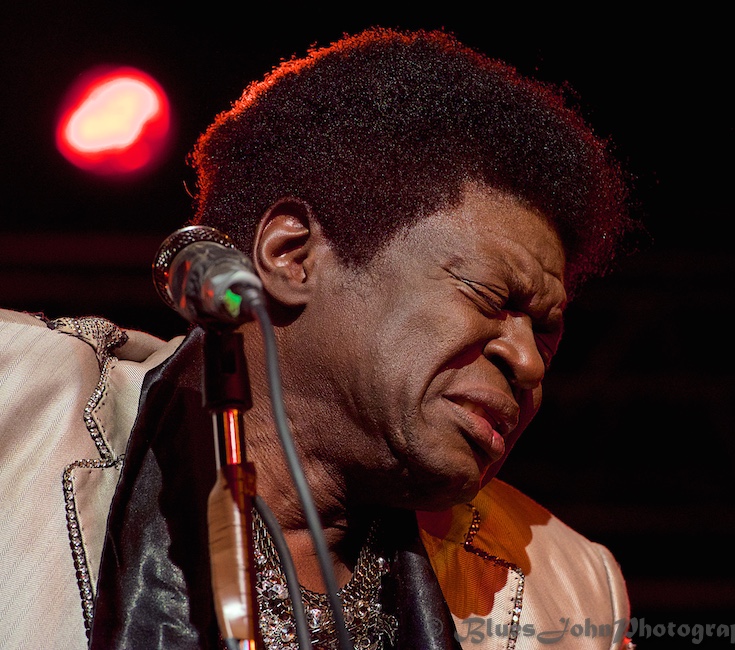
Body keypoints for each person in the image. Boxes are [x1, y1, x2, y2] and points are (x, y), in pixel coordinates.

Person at [0, 27, 639, 650]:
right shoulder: (17, 406)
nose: (528, 362)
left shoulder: (571, 591)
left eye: (547, 335)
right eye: (490, 297)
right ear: (292, 256)